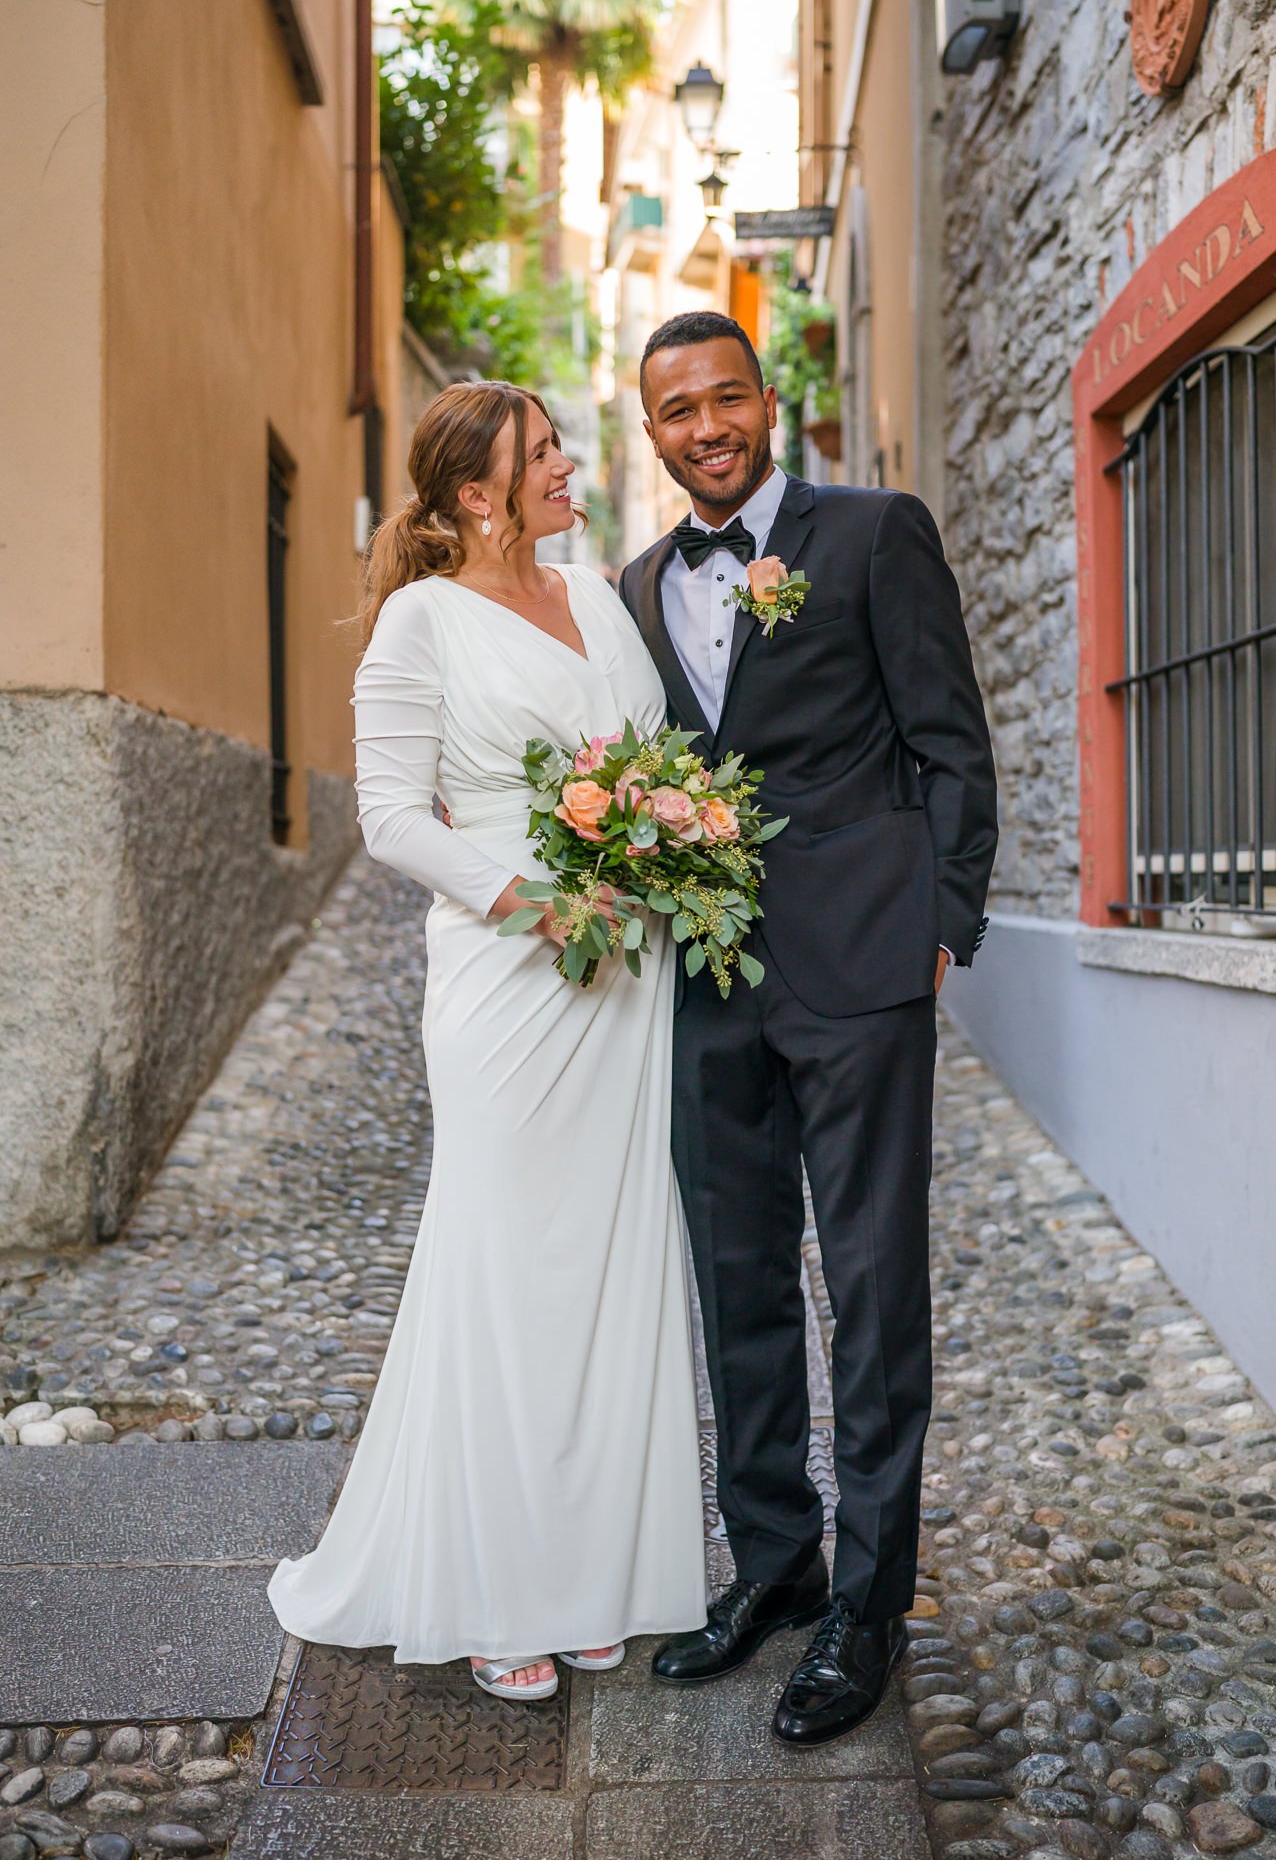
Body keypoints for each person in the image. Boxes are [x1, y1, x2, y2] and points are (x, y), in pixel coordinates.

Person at [268, 381, 706, 1700]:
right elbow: (391, 817)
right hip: (509, 970)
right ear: (476, 495)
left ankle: (595, 1575)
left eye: (560, 448)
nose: (569, 467)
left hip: (627, 964)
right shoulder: (420, 620)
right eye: (542, 455)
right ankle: (496, 1590)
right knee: (510, 1263)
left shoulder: (598, 601)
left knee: (613, 1261)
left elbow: (654, 763)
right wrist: (535, 902)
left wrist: (666, 846)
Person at [620, 312, 997, 1747]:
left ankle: (867, 1603)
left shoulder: (874, 533)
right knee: (737, 1283)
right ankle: (772, 1563)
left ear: (768, 403)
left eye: (726, 398)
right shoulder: (639, 585)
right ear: (652, 432)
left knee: (871, 1284)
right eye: (678, 411)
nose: (706, 427)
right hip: (708, 979)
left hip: (863, 968)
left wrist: (940, 924)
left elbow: (949, 740)